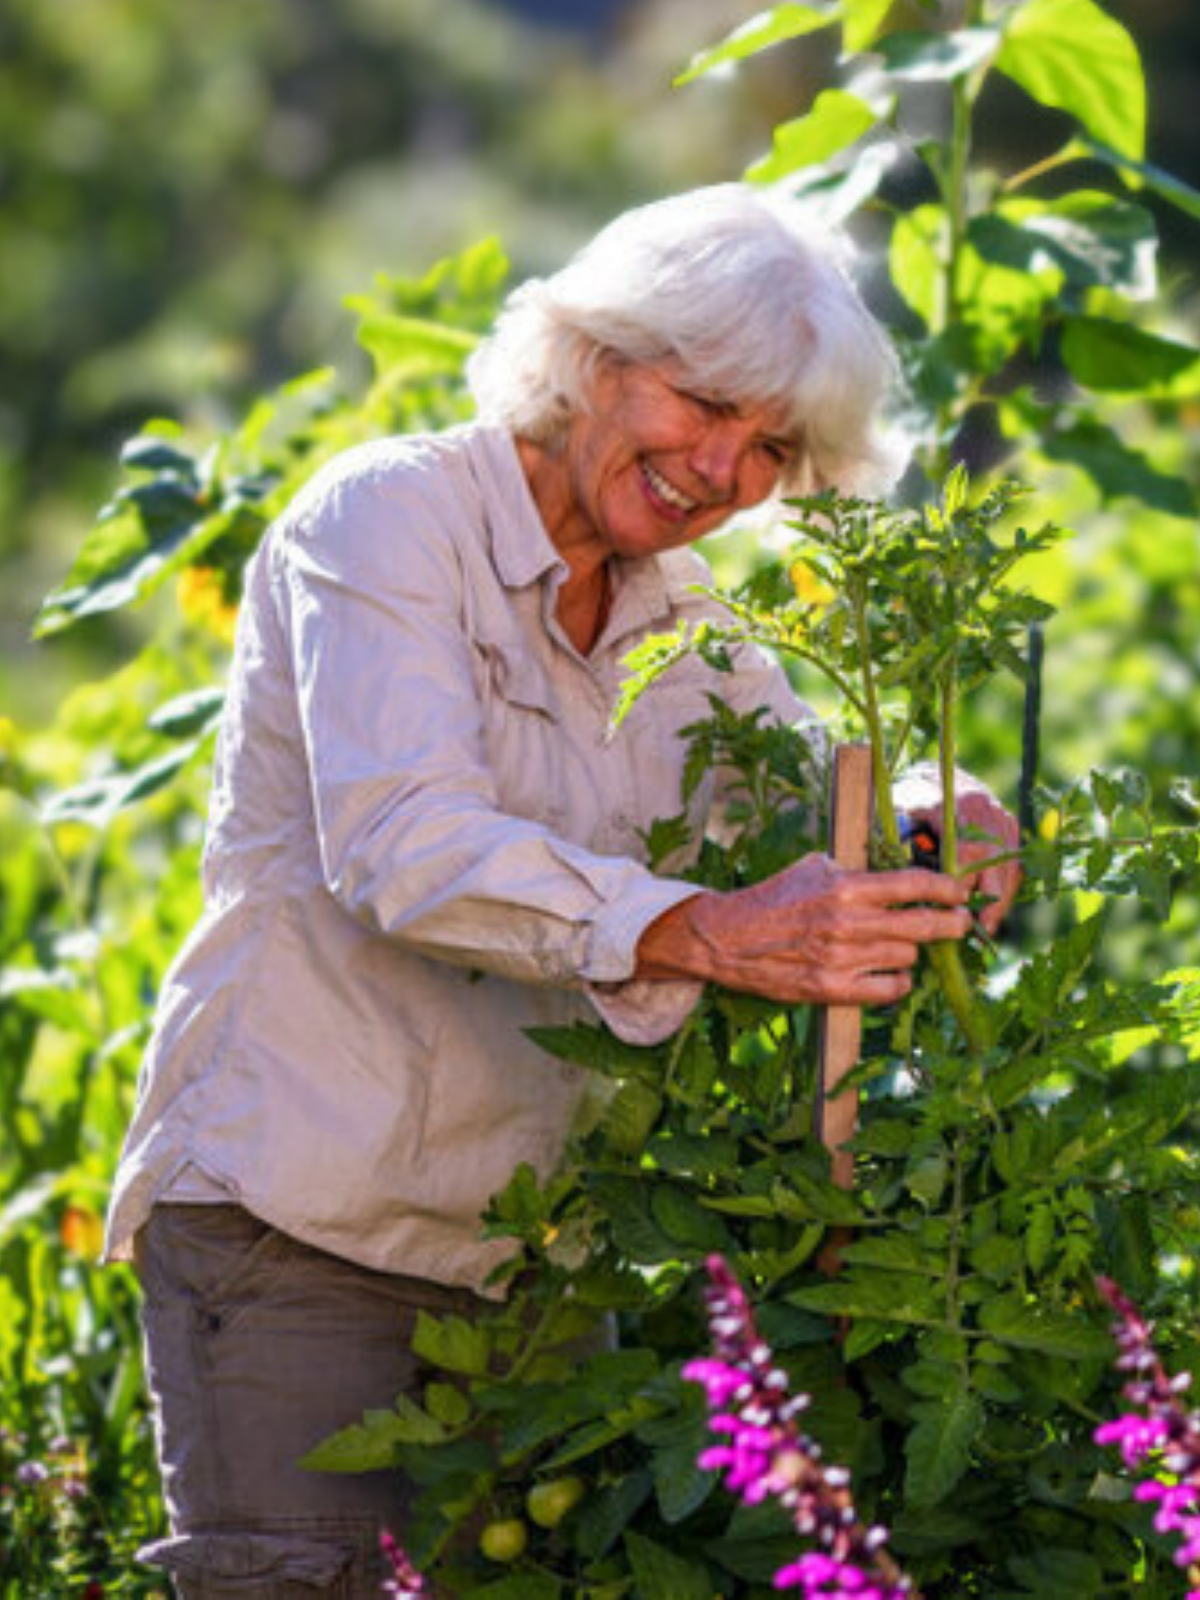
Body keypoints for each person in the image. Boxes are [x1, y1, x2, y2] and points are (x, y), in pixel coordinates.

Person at [106, 184, 1019, 1596]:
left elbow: (797, 803)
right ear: (593, 356)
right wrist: (709, 930)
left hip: (534, 1270)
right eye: (702, 400)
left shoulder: (689, 617)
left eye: (771, 443)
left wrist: (921, 821)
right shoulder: (388, 520)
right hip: (300, 1237)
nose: (719, 466)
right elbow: (405, 843)